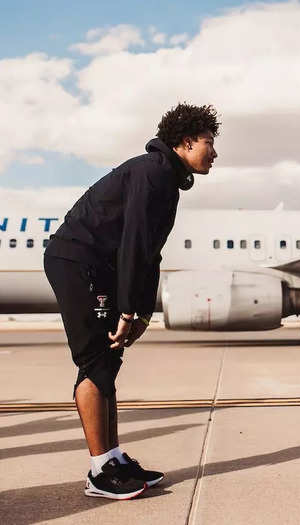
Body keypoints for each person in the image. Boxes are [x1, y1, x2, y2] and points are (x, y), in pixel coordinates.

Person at [44, 103, 219, 499]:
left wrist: (141, 311)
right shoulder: (152, 171)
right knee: (94, 361)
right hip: (78, 262)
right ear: (187, 142)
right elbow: (134, 245)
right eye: (209, 143)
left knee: (108, 362)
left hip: (99, 267)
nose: (214, 153)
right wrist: (127, 307)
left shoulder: (167, 179)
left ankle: (113, 457)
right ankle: (98, 473)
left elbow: (150, 252)